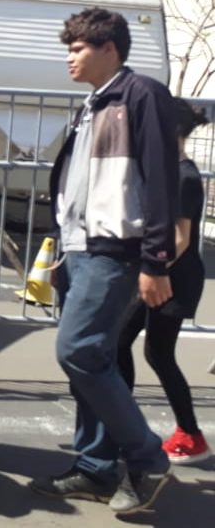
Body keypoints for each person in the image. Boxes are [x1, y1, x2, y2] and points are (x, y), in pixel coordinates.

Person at [29, 7, 175, 515]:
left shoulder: (141, 95)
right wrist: (61, 243)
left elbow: (160, 180)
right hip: (79, 247)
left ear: (109, 48)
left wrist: (156, 261)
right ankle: (95, 467)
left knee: (80, 351)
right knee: (94, 359)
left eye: (78, 49)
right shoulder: (95, 102)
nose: (69, 57)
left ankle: (148, 460)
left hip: (113, 250)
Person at [116, 98, 210, 465]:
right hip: (159, 274)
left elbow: (181, 238)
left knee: (156, 353)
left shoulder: (185, 177)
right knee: (123, 342)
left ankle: (190, 435)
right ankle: (124, 424)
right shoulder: (166, 171)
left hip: (174, 278)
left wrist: (152, 269)